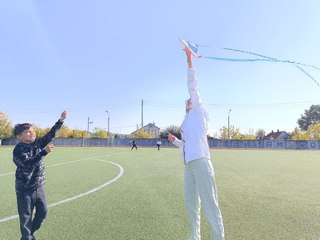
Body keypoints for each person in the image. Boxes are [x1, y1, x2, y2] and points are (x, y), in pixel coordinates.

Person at [167, 48, 225, 240]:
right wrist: (176, 141)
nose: (189, 101)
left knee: (210, 204)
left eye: (191, 100)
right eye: (187, 101)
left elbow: (193, 87)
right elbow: (186, 146)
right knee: (192, 205)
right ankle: (194, 237)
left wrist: (189, 61)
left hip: (201, 162)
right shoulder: (185, 123)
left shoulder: (200, 113)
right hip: (189, 166)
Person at [13, 110, 67, 240]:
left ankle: (29, 234)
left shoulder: (38, 143)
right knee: (25, 217)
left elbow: (51, 134)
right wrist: (44, 152)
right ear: (19, 137)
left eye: (33, 130)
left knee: (43, 212)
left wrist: (61, 120)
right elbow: (27, 164)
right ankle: (27, 237)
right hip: (24, 189)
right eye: (28, 131)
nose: (32, 132)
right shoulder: (18, 149)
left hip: (39, 186)